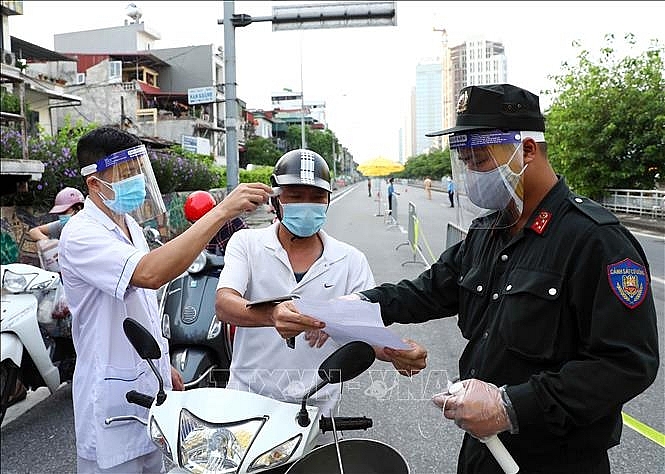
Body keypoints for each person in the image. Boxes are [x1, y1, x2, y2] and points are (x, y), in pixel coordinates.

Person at [276, 84, 659, 473]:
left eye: (479, 161)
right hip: (481, 447)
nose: (471, 175)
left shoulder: (595, 240)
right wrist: (354, 306)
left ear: (526, 150)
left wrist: (511, 406)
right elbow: (427, 290)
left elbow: (627, 363)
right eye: (465, 162)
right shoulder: (488, 231)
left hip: (557, 455)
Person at [58, 126, 272, 474]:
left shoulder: (130, 226)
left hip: (149, 392)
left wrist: (161, 364)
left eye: (135, 172)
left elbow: (142, 305)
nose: (134, 182)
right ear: (94, 183)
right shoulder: (81, 234)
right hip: (111, 403)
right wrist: (220, 212)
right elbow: (151, 274)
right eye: (123, 175)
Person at [215, 149, 427, 444]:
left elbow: (365, 333)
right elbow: (225, 304)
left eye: (316, 197)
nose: (306, 205)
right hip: (248, 401)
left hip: (315, 411)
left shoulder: (350, 260)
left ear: (328, 199)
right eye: (295, 195)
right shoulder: (247, 243)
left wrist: (397, 352)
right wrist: (272, 315)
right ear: (276, 199)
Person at [183, 190, 248, 255]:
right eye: (195, 223)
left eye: (204, 222)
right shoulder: (195, 235)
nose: (201, 226)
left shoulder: (233, 223)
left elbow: (250, 244)